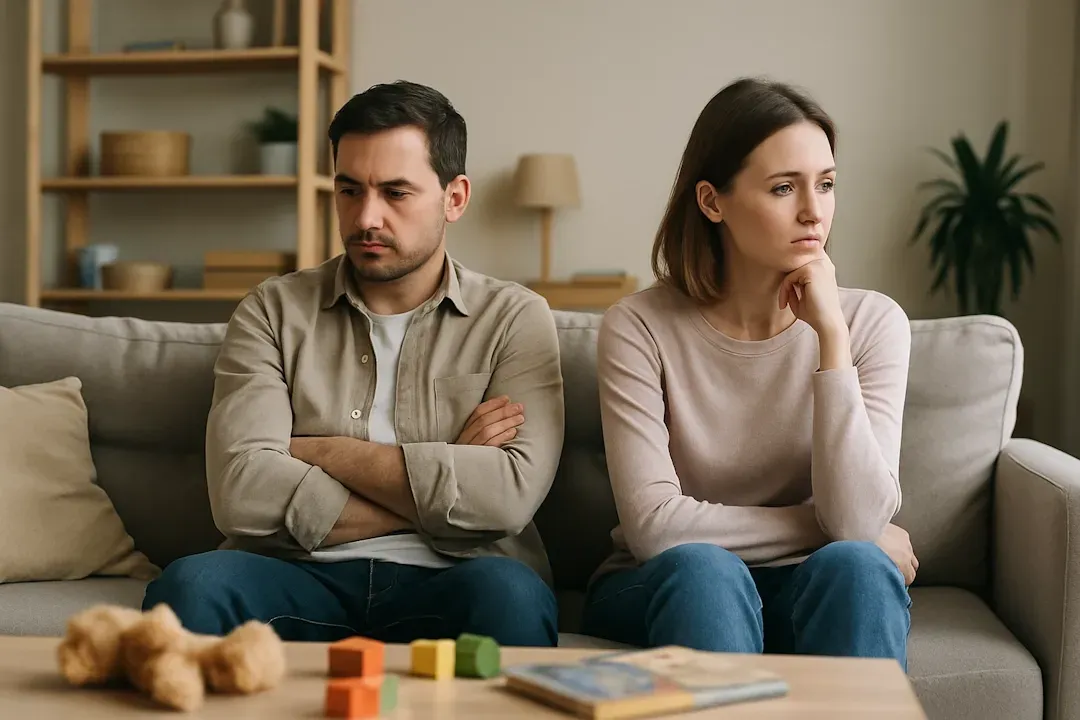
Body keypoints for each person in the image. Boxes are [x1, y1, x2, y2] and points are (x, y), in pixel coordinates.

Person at [142, 80, 566, 647]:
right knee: (190, 586)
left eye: (396, 192)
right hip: (297, 571)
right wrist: (446, 473)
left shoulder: (513, 318)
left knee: (512, 596)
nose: (366, 217)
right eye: (349, 190)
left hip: (458, 575)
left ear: (455, 197)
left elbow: (507, 497)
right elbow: (241, 494)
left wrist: (322, 451)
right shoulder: (272, 310)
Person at [581, 77, 916, 668]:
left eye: (826, 184)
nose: (814, 211)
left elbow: (858, 525)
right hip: (669, 584)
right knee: (708, 570)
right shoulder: (638, 327)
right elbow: (655, 529)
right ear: (712, 202)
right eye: (784, 187)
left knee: (860, 566)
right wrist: (822, 526)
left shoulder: (872, 323)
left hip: (808, 584)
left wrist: (831, 339)